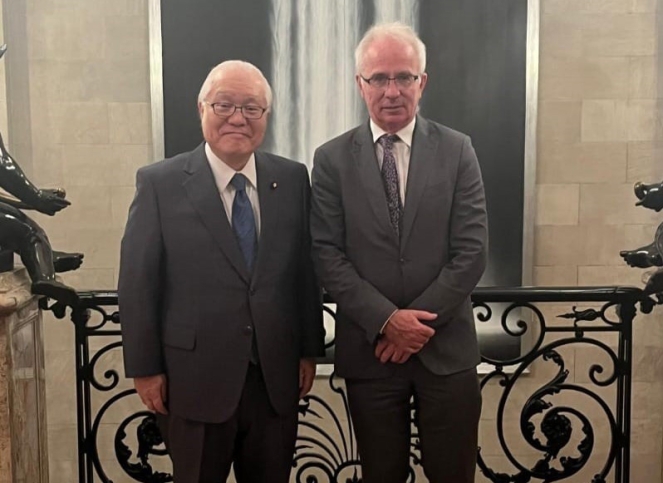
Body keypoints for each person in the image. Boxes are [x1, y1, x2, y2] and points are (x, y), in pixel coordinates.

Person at [118, 60, 325, 483]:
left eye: (251, 108)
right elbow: (138, 283)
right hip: (193, 382)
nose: (238, 118)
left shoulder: (292, 179)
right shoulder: (160, 183)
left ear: (266, 116)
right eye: (224, 105)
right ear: (202, 109)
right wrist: (144, 368)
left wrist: (309, 350)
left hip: (274, 380)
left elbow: (304, 273)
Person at [310, 22, 488, 483]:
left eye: (404, 77)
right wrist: (387, 321)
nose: (392, 91)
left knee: (454, 474)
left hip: (446, 351)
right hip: (372, 353)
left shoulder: (458, 150)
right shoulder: (330, 160)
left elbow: (471, 251)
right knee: (380, 474)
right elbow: (327, 255)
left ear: (421, 82)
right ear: (360, 84)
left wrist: (413, 327)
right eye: (379, 78)